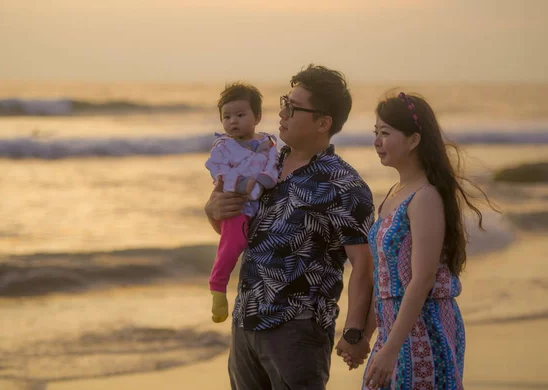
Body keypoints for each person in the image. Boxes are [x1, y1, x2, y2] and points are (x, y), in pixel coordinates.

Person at [205, 64, 375, 389]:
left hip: (297, 331)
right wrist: (212, 211)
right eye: (285, 101)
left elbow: (365, 265)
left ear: (323, 122)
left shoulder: (343, 184)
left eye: (293, 107)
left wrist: (355, 332)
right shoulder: (266, 162)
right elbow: (242, 235)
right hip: (246, 322)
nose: (281, 111)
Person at [347, 92, 497, 389]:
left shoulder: (425, 196)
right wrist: (366, 336)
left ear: (414, 140)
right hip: (394, 331)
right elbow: (386, 281)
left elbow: (422, 279)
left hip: (425, 330)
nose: (376, 141)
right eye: (375, 133)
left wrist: (391, 348)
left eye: (385, 133)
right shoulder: (394, 193)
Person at [205, 82, 279, 323]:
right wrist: (242, 185)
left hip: (260, 206)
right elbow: (218, 172)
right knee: (233, 242)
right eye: (226, 117)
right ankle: (218, 286)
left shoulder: (268, 144)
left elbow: (273, 165)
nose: (232, 121)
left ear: (257, 116)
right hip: (237, 204)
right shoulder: (223, 147)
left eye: (240, 115)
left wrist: (268, 178)